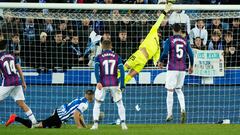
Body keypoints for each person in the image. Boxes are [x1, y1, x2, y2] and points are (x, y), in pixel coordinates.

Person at [123, 2, 173, 84]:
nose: (159, 34)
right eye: (159, 32)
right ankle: (111, 80)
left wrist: (157, 63)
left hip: (144, 61)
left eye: (160, 34)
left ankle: (121, 85)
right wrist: (164, 12)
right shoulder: (153, 31)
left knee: (131, 75)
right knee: (124, 68)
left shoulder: (158, 46)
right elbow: (159, 21)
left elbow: (156, 58)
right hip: (139, 55)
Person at [158, 23, 194, 124]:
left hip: (172, 68)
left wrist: (160, 61)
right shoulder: (185, 41)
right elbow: (191, 54)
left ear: (173, 30)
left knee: (170, 91)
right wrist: (191, 66)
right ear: (180, 30)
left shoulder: (170, 40)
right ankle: (183, 109)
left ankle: (169, 114)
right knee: (178, 89)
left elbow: (165, 53)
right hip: (182, 69)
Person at [5, 90, 94, 129]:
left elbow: (80, 115)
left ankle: (16, 118)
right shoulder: (85, 104)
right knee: (35, 126)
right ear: (92, 96)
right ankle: (15, 118)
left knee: (53, 125)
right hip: (59, 116)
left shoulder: (81, 98)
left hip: (59, 113)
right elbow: (76, 114)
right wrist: (79, 127)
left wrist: (85, 126)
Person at [0, 40, 37, 126]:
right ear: (6, 47)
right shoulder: (13, 56)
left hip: (7, 83)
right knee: (21, 103)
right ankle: (34, 122)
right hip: (17, 82)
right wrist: (23, 82)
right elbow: (19, 69)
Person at [91, 40, 126, 130]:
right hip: (114, 82)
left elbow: (96, 70)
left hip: (103, 83)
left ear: (102, 47)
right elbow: (122, 71)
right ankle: (123, 124)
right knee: (119, 103)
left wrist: (98, 81)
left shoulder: (98, 57)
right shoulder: (117, 56)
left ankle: (95, 124)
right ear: (111, 46)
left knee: (97, 103)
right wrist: (122, 84)